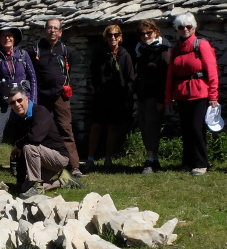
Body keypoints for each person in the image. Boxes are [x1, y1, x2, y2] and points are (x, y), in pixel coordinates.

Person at [164, 12, 219, 176]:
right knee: (186, 129)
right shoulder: (175, 49)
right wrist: (168, 97)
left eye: (188, 26)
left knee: (196, 128)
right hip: (182, 94)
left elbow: (212, 71)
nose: (185, 30)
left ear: (194, 27)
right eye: (181, 27)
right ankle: (188, 162)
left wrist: (213, 95)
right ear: (177, 29)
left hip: (200, 92)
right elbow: (170, 76)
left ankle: (201, 162)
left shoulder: (201, 45)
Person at [0, 26, 37, 183]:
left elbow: (32, 78)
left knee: (20, 134)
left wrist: (32, 101)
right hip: (3, 102)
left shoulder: (23, 56)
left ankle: (16, 165)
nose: (7, 38)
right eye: (4, 36)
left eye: (10, 36)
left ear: (15, 38)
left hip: (21, 102)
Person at [28, 18, 81, 177]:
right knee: (40, 128)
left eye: (56, 28)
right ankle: (39, 162)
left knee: (66, 129)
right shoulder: (35, 51)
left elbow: (68, 72)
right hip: (41, 97)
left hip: (60, 96)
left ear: (60, 32)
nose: (52, 31)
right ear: (45, 30)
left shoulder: (66, 51)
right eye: (49, 28)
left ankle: (74, 166)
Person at [7, 86, 82, 198]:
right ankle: (63, 181)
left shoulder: (40, 111)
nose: (17, 104)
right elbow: (20, 153)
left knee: (28, 147)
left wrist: (18, 144)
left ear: (26, 99)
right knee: (24, 189)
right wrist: (20, 181)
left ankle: (36, 186)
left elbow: (34, 137)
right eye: (13, 103)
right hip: (42, 159)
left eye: (19, 100)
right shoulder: (19, 120)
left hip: (59, 158)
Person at [84, 24, 135, 172]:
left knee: (113, 128)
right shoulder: (100, 54)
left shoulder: (125, 55)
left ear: (120, 37)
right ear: (105, 38)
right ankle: (90, 158)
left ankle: (108, 158)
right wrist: (93, 91)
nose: (113, 37)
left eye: (116, 34)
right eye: (110, 35)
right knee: (96, 127)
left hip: (117, 98)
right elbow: (92, 74)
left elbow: (130, 77)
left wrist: (127, 94)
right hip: (100, 97)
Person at [131, 18, 171, 174]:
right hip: (143, 94)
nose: (146, 36)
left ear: (156, 32)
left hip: (155, 95)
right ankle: (152, 158)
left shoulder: (163, 50)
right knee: (144, 126)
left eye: (149, 32)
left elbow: (165, 76)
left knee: (152, 126)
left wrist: (162, 99)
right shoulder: (140, 50)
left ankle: (151, 159)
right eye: (143, 34)